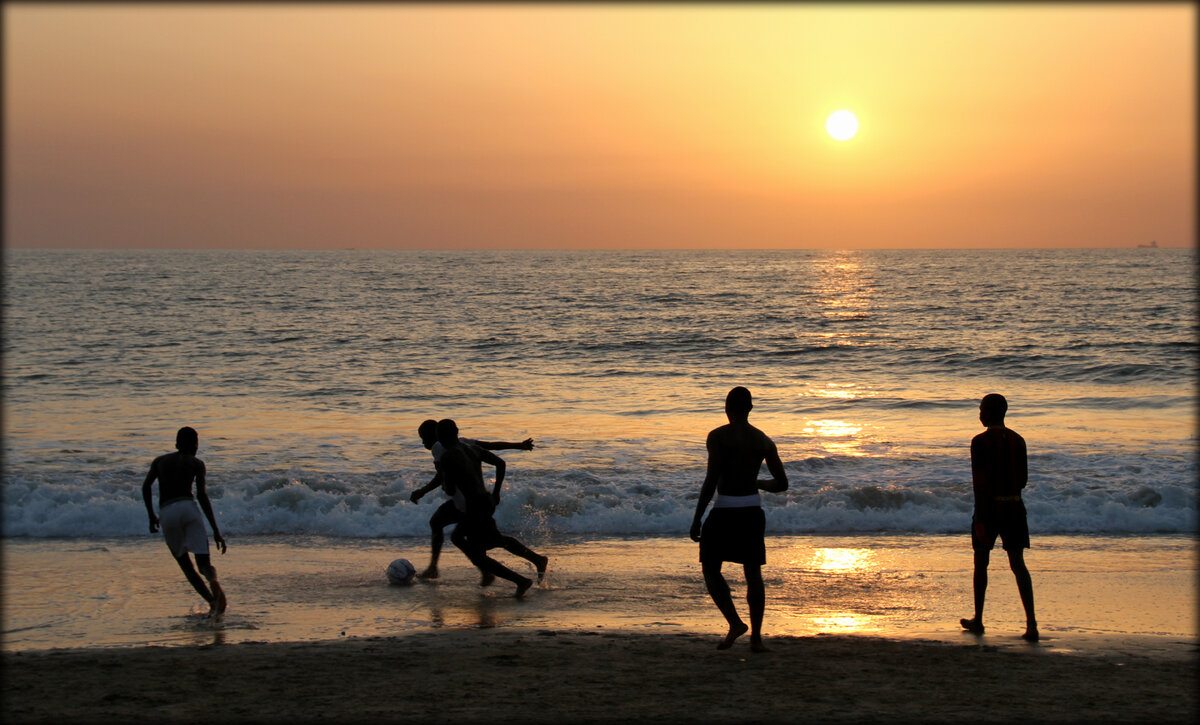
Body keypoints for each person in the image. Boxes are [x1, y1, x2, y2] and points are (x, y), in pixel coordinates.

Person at [690, 387, 788, 652]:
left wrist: (697, 517)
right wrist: (755, 482)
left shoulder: (718, 436)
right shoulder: (763, 440)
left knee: (711, 568)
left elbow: (711, 480)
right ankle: (756, 639)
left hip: (724, 510)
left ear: (726, 408)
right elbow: (781, 484)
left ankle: (735, 623)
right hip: (752, 511)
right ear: (751, 408)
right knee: (753, 573)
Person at [409, 419, 540, 582]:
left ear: (435, 436)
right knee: (452, 530)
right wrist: (518, 445)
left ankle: (510, 574)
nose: (423, 443)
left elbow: (441, 477)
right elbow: (490, 446)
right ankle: (481, 570)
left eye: (423, 438)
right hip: (479, 499)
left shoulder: (439, 448)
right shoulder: (463, 443)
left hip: (467, 503)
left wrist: (423, 491)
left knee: (483, 542)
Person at [960, 393, 1038, 642]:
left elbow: (980, 485)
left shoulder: (980, 442)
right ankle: (1032, 624)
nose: (979, 413)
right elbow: (1023, 480)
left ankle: (979, 620)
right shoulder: (1019, 440)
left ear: (991, 412)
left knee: (981, 563)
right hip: (1015, 508)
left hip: (990, 509)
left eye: (982, 409)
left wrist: (981, 519)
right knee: (1018, 565)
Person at [141, 426, 227, 616]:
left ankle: (213, 603)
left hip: (168, 511)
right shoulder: (197, 463)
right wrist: (216, 531)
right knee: (203, 565)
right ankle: (213, 580)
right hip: (189, 508)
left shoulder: (159, 461)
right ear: (195, 445)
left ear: (177, 444)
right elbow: (202, 497)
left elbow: (146, 487)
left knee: (186, 567)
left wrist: (151, 515)